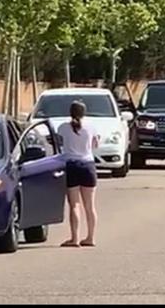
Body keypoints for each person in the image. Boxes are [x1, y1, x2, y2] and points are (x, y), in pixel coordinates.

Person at [58, 100, 99, 247]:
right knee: (90, 205)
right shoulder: (91, 127)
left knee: (74, 204)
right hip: (88, 165)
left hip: (71, 166)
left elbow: (59, 144)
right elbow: (96, 144)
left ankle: (75, 238)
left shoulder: (63, 127)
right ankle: (90, 237)